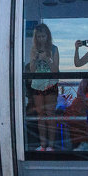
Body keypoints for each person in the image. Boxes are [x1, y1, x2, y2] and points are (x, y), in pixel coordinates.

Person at [26, 23, 60, 151]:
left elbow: (56, 70)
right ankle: (43, 145)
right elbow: (32, 70)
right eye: (39, 36)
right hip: (37, 85)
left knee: (50, 114)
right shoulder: (33, 49)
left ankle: (51, 145)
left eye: (43, 36)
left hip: (51, 83)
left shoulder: (54, 49)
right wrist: (34, 60)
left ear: (48, 36)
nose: (41, 39)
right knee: (40, 115)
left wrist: (47, 59)